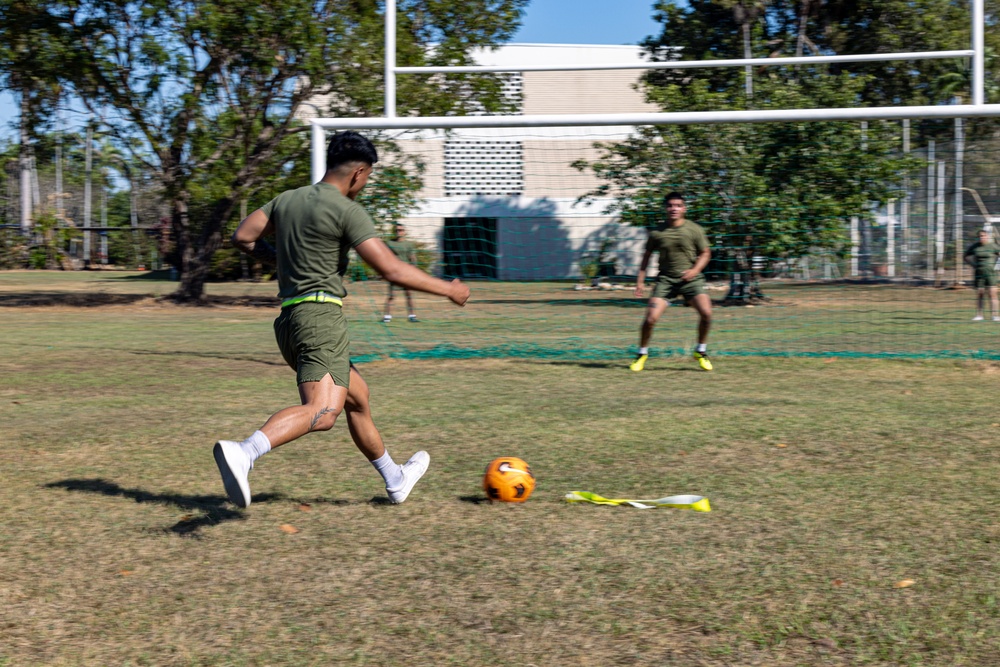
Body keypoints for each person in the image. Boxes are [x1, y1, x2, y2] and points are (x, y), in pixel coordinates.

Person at [215, 131, 470, 508]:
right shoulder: (346, 210)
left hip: (289, 320)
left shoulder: (286, 200)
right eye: (367, 179)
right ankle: (246, 452)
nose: (364, 186)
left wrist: (280, 261)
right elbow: (392, 269)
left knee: (358, 399)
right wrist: (448, 290)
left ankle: (394, 477)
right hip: (320, 317)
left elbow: (243, 236)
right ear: (359, 173)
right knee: (322, 411)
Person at [629, 192, 713, 372]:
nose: (674, 209)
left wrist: (695, 270)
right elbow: (646, 256)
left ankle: (701, 351)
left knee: (706, 313)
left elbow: (706, 253)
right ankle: (641, 354)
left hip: (691, 280)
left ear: (684, 208)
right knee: (650, 319)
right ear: (665, 208)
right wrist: (640, 281)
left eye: (678, 205)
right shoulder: (657, 232)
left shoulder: (694, 229)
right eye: (670, 205)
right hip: (666, 280)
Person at [382, 223, 419, 323]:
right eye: (397, 230)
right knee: (391, 295)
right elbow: (385, 256)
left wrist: (414, 270)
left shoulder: (409, 244)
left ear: (404, 232)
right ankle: (387, 317)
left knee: (409, 294)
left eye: (401, 230)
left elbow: (412, 257)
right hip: (395, 273)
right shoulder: (390, 243)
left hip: (406, 273)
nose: (399, 232)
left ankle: (412, 316)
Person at [964, 228, 1000, 322]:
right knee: (980, 294)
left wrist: (997, 266)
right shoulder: (975, 247)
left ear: (987, 236)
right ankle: (979, 315)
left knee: (993, 294)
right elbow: (966, 256)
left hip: (991, 273)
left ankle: (995, 315)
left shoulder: (993, 246)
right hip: (979, 273)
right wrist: (973, 265)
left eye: (983, 236)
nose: (982, 237)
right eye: (980, 236)